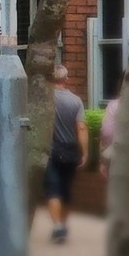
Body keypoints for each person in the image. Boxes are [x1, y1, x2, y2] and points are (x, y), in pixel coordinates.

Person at [45, 63, 89, 244]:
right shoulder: (76, 101)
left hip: (50, 149)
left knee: (53, 189)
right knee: (66, 189)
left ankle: (57, 226)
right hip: (70, 149)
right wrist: (85, 152)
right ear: (66, 79)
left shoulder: (44, 100)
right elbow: (81, 127)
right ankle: (62, 223)